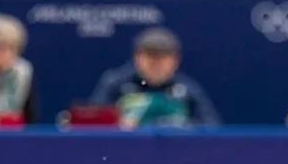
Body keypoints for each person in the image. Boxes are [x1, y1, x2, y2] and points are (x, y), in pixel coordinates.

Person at [89, 27, 219, 128]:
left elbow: (211, 128)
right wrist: (119, 125)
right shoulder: (115, 84)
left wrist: (183, 127)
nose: (156, 63)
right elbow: (93, 125)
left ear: (176, 60)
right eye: (150, 56)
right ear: (136, 57)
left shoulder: (188, 89)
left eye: (163, 57)